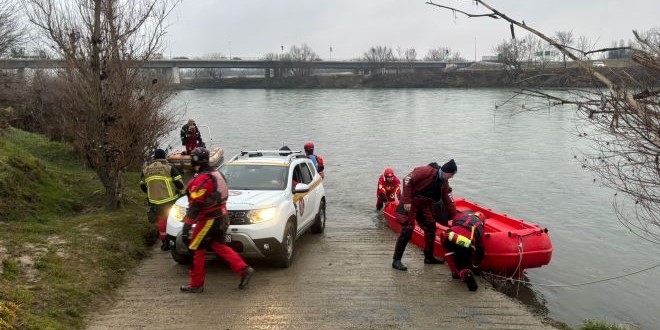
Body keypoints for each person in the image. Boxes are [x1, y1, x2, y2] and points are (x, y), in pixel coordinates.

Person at [180, 147, 254, 293]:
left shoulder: (202, 179)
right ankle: (244, 269)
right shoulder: (217, 174)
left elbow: (196, 205)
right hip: (221, 216)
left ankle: (196, 284)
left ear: (195, 160)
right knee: (218, 245)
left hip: (208, 220)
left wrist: (187, 226)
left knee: (195, 249)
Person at [392, 159, 459, 271]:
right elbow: (407, 179)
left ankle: (428, 257)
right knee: (407, 230)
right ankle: (396, 260)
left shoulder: (444, 183)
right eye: (451, 174)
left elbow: (449, 200)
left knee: (431, 227)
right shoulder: (426, 171)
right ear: (446, 171)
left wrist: (456, 217)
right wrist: (407, 200)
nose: (452, 177)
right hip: (411, 202)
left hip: (423, 205)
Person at [140, 149, 185, 251]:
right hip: (170, 200)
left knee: (161, 221)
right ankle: (173, 241)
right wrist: (182, 193)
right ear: (164, 157)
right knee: (173, 220)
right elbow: (179, 183)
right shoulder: (169, 168)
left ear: (154, 158)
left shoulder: (146, 170)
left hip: (154, 201)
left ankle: (164, 242)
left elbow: (142, 185)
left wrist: (150, 193)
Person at [441, 211, 486, 291]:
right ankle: (466, 273)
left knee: (447, 247)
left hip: (452, 236)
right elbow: (480, 247)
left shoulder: (462, 215)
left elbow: (454, 221)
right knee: (463, 264)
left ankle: (455, 272)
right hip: (466, 242)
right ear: (482, 220)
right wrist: (476, 265)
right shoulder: (480, 226)